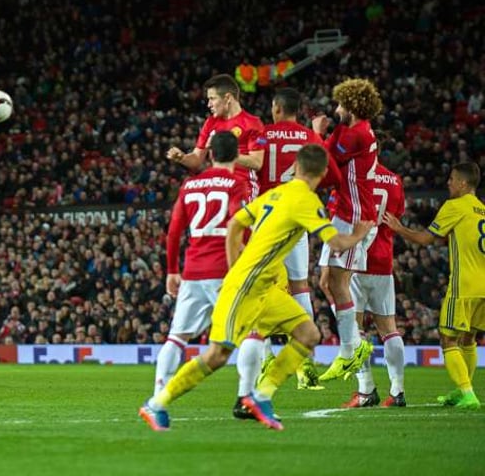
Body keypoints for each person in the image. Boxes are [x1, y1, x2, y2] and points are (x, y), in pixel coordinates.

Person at [139, 145, 374, 431]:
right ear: (324, 172)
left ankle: (260, 396)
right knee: (217, 355)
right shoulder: (306, 200)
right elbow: (335, 243)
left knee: (308, 334)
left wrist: (233, 262)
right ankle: (157, 403)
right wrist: (359, 234)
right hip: (247, 284)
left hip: (264, 286)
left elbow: (236, 224)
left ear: (296, 168)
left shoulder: (275, 193)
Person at [157, 132, 253, 418]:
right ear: (236, 156)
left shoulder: (190, 185)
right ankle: (246, 397)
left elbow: (174, 231)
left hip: (193, 271)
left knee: (177, 338)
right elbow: (239, 226)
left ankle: (157, 398)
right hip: (224, 271)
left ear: (210, 154)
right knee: (252, 334)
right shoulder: (237, 184)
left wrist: (172, 271)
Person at [256, 87, 342, 389]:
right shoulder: (308, 137)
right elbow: (333, 176)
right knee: (300, 288)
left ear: (277, 108)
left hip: (266, 218)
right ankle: (305, 365)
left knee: (259, 288)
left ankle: (265, 358)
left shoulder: (262, 135)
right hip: (296, 220)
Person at [384, 162, 485, 409]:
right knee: (468, 339)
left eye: (452, 179)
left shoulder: (455, 206)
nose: (448, 183)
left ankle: (467, 392)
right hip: (483, 287)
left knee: (448, 339)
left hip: (464, 286)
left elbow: (426, 239)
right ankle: (463, 390)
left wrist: (399, 228)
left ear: (463, 183)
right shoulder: (482, 209)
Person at [311, 78, 382, 381]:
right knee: (328, 281)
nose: (336, 108)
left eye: (340, 104)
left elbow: (324, 164)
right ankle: (351, 346)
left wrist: (316, 133)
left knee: (339, 284)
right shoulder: (351, 129)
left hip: (355, 218)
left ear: (351, 106)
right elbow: (330, 150)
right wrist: (326, 134)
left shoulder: (356, 134)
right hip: (344, 213)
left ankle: (350, 350)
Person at [342, 162, 407, 408]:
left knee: (353, 327)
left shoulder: (355, 176)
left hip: (356, 259)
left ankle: (366, 389)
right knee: (389, 328)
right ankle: (398, 391)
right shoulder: (394, 180)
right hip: (383, 261)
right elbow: (395, 216)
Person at [166, 74, 265, 200]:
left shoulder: (253, 123)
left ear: (227, 97)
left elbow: (257, 163)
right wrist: (182, 157)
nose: (209, 104)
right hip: (218, 186)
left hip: (244, 188)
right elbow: (196, 160)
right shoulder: (210, 122)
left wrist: (225, 151)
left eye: (212, 99)